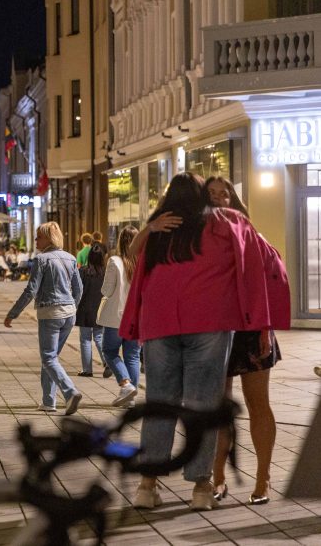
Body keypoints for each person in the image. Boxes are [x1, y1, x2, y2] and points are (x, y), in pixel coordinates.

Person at [120, 172, 290, 511]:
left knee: (159, 404)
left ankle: (147, 485)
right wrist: (262, 320)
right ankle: (201, 488)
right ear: (201, 196)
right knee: (204, 406)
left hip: (160, 325)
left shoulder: (161, 229)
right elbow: (265, 266)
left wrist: (149, 229)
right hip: (211, 323)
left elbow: (134, 267)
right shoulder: (228, 222)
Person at [206, 176, 283, 506]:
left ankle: (263, 478)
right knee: (219, 408)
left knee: (257, 404)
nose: (221, 200)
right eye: (213, 195)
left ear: (235, 200)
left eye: (226, 194)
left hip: (253, 328)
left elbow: (272, 276)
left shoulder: (251, 234)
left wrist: (266, 326)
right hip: (215, 329)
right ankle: (218, 477)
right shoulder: (201, 240)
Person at [4, 221, 84, 416]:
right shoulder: (71, 259)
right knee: (51, 358)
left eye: (38, 236)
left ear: (49, 238)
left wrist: (12, 313)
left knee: (48, 358)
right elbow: (79, 289)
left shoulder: (42, 260)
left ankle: (70, 391)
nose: (35, 240)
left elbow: (31, 290)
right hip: (69, 314)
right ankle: (48, 401)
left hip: (50, 313)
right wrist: (72, 305)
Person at [98, 225, 140, 408]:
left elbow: (106, 290)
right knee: (132, 356)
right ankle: (131, 396)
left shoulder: (114, 261)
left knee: (109, 351)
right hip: (137, 317)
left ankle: (125, 384)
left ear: (120, 241)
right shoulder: (143, 262)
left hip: (116, 317)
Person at [74, 242, 109, 378]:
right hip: (100, 309)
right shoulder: (105, 272)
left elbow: (77, 290)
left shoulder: (83, 271)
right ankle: (107, 363)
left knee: (85, 340)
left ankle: (87, 369)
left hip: (84, 309)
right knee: (99, 337)